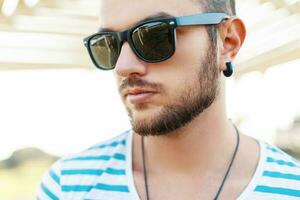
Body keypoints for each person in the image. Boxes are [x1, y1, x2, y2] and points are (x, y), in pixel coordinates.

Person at [37, 0, 300, 199]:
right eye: (109, 44)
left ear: (228, 42)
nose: (122, 66)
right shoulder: (68, 186)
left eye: (154, 36)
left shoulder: (291, 188)